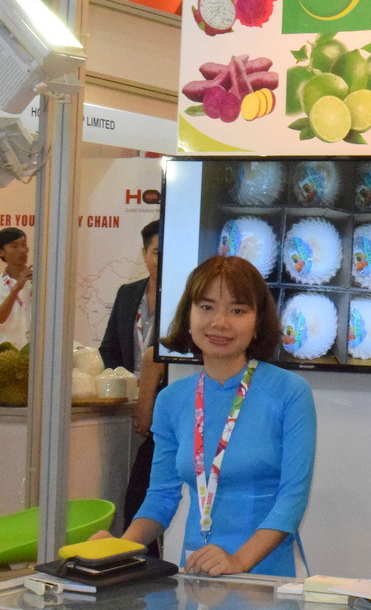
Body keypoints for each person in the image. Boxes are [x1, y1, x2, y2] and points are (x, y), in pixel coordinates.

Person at [95, 255, 316, 576]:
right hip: (198, 572)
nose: (220, 322)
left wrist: (238, 561)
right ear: (188, 314)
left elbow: (291, 501)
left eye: (237, 310)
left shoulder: (290, 392)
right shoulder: (171, 399)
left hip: (267, 576)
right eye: (207, 306)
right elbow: (161, 497)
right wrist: (118, 547)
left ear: (258, 321)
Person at [98, 220, 166, 547]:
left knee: (147, 495)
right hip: (126, 405)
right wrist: (122, 383)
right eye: (156, 251)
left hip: (163, 409)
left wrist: (148, 399)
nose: (161, 259)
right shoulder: (128, 294)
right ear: (144, 254)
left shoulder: (188, 297)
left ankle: (143, 558)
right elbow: (109, 349)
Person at [0, 227, 33, 347]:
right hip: (7, 351)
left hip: (36, 350)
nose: (22, 250)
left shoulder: (41, 281)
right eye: (14, 246)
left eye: (24, 245)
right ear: (1, 252)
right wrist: (17, 287)